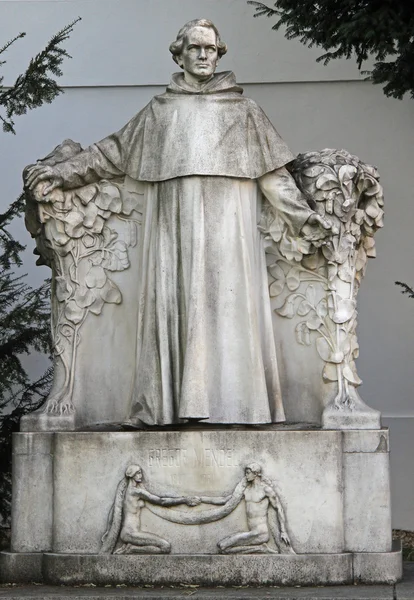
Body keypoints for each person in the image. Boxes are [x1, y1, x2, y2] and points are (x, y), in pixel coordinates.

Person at [25, 19, 330, 427]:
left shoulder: (244, 112)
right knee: (177, 306)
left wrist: (301, 217)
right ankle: (169, 405)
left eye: (210, 49)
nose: (203, 56)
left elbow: (273, 175)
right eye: (195, 49)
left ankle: (237, 406)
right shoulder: (160, 112)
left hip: (229, 226)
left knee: (228, 305)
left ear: (220, 53)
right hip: (174, 226)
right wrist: (63, 173)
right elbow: (111, 152)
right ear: (179, 54)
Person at [100, 464, 200, 554]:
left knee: (165, 547)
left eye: (140, 472)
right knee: (165, 547)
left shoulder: (128, 492)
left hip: (132, 532)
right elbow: (161, 501)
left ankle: (132, 548)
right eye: (138, 473)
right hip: (130, 533)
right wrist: (184, 500)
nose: (141, 475)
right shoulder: (135, 492)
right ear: (132, 475)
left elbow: (114, 512)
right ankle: (132, 549)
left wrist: (108, 530)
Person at [201, 463, 294, 554]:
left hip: (261, 533)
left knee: (222, 546)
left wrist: (283, 531)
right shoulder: (246, 490)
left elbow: (279, 508)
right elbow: (224, 500)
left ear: (255, 474)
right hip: (252, 533)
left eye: (248, 472)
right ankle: (261, 549)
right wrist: (201, 499)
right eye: (246, 472)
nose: (246, 475)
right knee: (222, 547)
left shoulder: (266, 490)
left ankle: (262, 549)